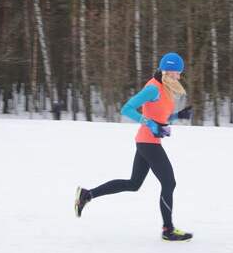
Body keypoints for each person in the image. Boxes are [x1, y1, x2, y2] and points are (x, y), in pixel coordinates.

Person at [75, 52, 193, 242]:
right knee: (169, 183)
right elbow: (127, 108)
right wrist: (148, 123)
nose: (179, 77)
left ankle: (87, 195)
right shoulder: (153, 88)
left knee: (133, 184)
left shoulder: (166, 89)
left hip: (147, 141)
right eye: (177, 73)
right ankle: (168, 229)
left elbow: (160, 118)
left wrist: (178, 115)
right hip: (148, 142)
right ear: (168, 72)